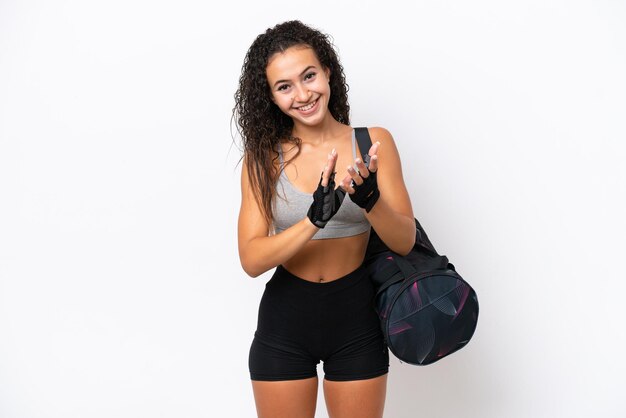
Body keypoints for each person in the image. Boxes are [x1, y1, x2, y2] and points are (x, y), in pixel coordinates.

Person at [233, 20, 415, 418]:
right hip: (285, 323)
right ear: (271, 97)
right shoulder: (263, 159)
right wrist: (313, 220)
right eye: (285, 87)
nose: (303, 94)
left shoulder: (373, 143)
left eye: (309, 75)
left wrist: (371, 202)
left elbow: (404, 241)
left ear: (327, 71)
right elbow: (251, 259)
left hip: (356, 319)